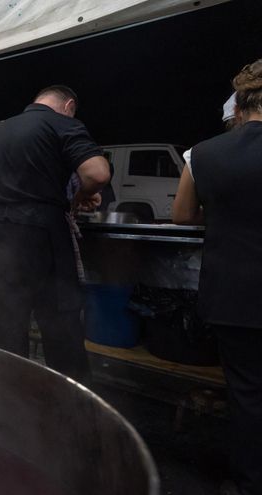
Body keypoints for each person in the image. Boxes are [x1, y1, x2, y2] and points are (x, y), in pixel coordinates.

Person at [0, 85, 110, 382]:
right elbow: (97, 173)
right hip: (39, 234)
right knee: (59, 326)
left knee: (9, 328)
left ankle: (11, 400)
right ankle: (69, 402)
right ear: (69, 106)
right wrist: (80, 195)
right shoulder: (61, 122)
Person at [172, 60, 262, 495]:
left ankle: (249, 483)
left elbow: (182, 214)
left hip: (234, 294)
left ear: (239, 107)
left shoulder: (203, 153)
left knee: (248, 394)